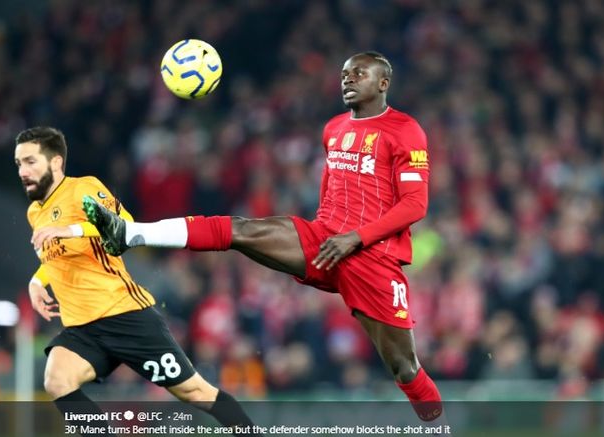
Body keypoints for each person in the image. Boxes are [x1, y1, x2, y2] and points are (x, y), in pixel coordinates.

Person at [84, 51, 445, 423]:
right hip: (324, 239)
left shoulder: (405, 130)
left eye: (359, 73)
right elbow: (330, 186)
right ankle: (132, 233)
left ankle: (438, 424)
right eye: (344, 73)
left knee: (404, 366)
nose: (348, 79)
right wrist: (322, 231)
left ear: (383, 83)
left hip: (372, 258)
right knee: (242, 230)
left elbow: (415, 205)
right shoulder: (334, 128)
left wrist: (355, 238)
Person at [14, 126, 261, 437]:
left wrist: (73, 229)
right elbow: (56, 255)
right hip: (83, 327)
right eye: (19, 163)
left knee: (196, 392)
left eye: (30, 161)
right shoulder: (35, 212)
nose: (23, 171)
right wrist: (37, 282)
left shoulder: (83, 189)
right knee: (57, 380)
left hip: (125, 315)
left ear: (55, 163)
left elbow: (126, 226)